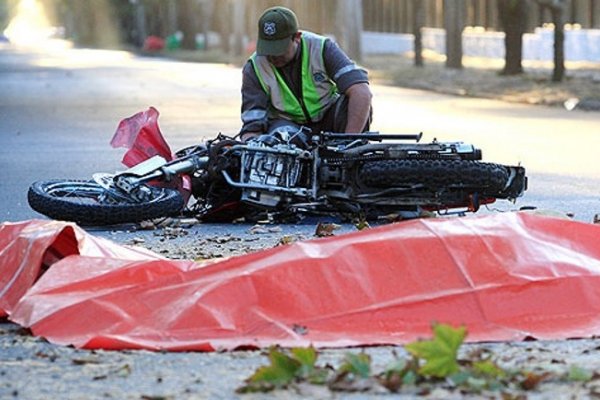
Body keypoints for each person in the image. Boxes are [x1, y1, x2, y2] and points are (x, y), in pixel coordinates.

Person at [239, 6, 372, 143]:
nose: (273, 55)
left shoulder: (321, 48)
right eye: (268, 49)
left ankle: (351, 159)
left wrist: (349, 141)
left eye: (279, 49)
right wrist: (252, 148)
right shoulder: (254, 67)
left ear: (297, 37)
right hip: (287, 125)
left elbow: (361, 91)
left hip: (329, 119)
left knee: (354, 104)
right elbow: (252, 126)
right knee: (282, 136)